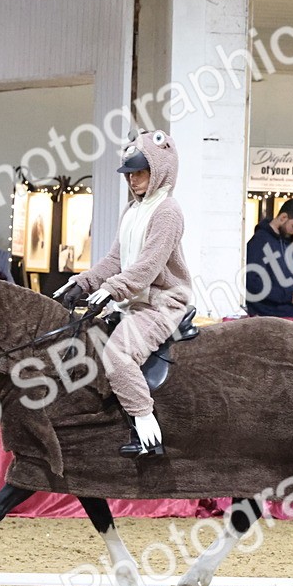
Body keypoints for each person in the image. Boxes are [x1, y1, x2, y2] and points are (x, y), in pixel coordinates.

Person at [52, 129, 192, 458]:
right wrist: (83, 282)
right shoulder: (132, 211)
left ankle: (145, 427)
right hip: (132, 302)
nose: (133, 180)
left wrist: (111, 289)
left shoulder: (168, 211)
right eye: (130, 174)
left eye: (140, 172)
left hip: (160, 303)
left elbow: (148, 266)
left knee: (116, 354)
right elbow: (115, 259)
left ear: (159, 170)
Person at [244, 198, 293, 317]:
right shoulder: (258, 242)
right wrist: (290, 297)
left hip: (290, 317)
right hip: (271, 320)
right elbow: (252, 284)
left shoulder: (288, 243)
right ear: (283, 217)